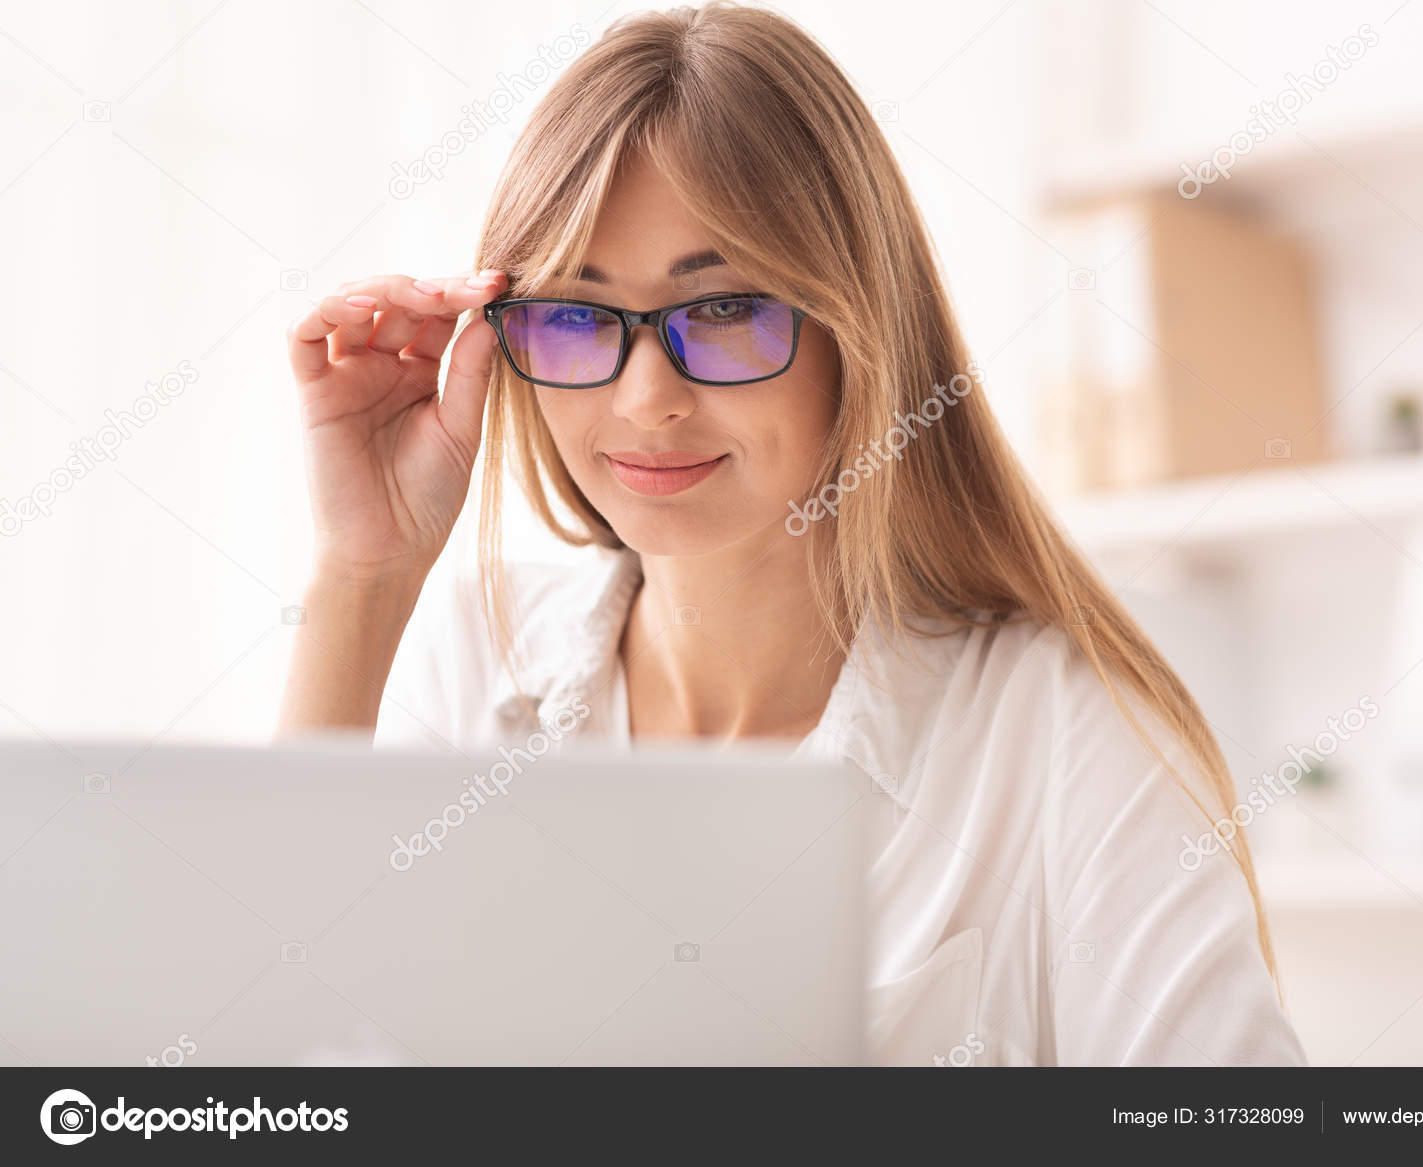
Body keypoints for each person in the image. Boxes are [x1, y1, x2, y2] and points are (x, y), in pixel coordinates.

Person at [279, 1, 1305, 1066]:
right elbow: (278, 1074)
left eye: (723, 308)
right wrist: (365, 575)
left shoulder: (1064, 732)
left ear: (858, 333)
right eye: (578, 315)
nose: (645, 399)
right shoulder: (477, 659)